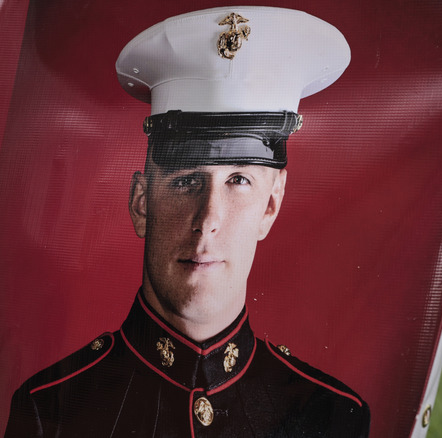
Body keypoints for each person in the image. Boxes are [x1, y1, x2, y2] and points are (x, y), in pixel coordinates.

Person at [4, 6, 369, 437]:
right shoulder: (54, 410)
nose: (208, 219)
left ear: (270, 206)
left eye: (238, 180)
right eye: (187, 180)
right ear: (142, 203)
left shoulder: (330, 417)